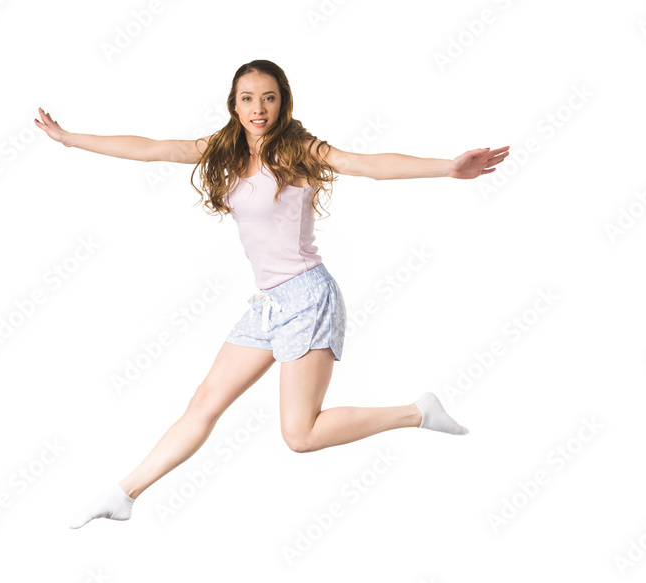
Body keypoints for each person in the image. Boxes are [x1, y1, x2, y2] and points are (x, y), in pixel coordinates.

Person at [34, 60, 509, 528]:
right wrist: (70, 138)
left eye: (269, 97)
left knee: (300, 435)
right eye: (248, 98)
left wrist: (448, 167)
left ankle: (417, 412)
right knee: (204, 402)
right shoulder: (223, 150)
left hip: (308, 297)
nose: (258, 108)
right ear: (234, 106)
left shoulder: (300, 152)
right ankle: (123, 494)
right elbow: (151, 148)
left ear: (282, 103)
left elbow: (368, 166)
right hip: (267, 303)